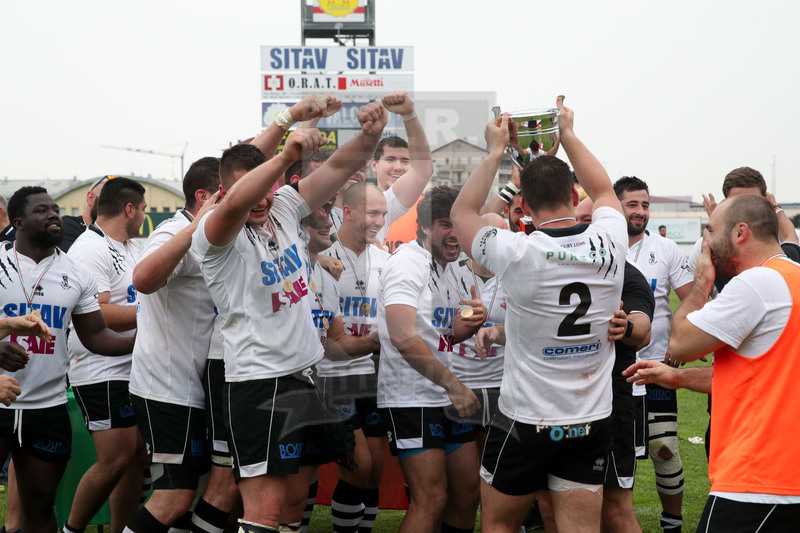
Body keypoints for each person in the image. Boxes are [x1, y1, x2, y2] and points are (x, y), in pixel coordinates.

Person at [191, 98, 387, 532]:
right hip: (259, 382)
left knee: (290, 505)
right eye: (253, 188)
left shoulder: (281, 207)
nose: (262, 197)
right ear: (226, 191)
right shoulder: (215, 233)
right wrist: (283, 155)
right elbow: (237, 201)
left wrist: (369, 138)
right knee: (261, 513)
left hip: (302, 376)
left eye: (269, 186)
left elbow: (335, 170)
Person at [450, 97, 626, 533]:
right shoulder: (611, 240)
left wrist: (494, 152)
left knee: (499, 527)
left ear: (524, 207)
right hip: (588, 418)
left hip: (526, 419)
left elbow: (461, 214)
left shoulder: (516, 250)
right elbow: (604, 191)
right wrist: (566, 133)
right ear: (573, 195)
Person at [638, 194, 800, 531]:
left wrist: (701, 282)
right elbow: (760, 373)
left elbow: (681, 344)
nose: (705, 242)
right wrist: (677, 379)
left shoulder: (757, 283)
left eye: (710, 230)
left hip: (756, 481)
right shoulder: (792, 276)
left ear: (740, 233)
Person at [0, 186, 134, 533]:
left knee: (41, 507)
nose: (53, 214)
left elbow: (97, 337)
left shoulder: (76, 272)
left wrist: (148, 338)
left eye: (55, 208)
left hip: (48, 407)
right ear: (19, 222)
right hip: (0, 401)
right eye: (41, 210)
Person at [377, 184, 487, 533]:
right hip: (411, 397)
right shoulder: (408, 263)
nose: (453, 234)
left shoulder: (452, 267)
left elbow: (444, 335)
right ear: (425, 227)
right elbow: (402, 335)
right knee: (431, 497)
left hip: (445, 392)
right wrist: (454, 386)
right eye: (444, 224)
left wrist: (469, 324)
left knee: (468, 493)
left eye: (457, 224)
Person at [123, 158, 224, 533]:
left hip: (196, 386)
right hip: (166, 388)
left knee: (196, 492)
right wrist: (197, 226)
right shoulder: (174, 230)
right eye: (227, 194)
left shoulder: (217, 232)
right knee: (174, 496)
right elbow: (143, 278)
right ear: (203, 197)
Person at [64, 177, 148, 533]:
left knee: (135, 459)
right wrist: (151, 316)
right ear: (129, 209)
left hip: (130, 367)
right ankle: (72, 529)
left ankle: (121, 530)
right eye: (143, 209)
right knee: (115, 458)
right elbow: (97, 314)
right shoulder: (88, 248)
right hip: (100, 367)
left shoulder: (130, 246)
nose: (144, 216)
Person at [613, 175, 693, 533]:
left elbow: (690, 298)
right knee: (615, 452)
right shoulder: (601, 246)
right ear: (616, 206)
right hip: (615, 371)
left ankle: (672, 523)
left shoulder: (666, 248)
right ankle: (614, 516)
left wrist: (679, 345)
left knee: (664, 448)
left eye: (645, 205)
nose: (640, 211)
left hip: (657, 365)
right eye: (632, 204)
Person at [319, 182, 389, 533]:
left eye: (383, 214)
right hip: (333, 375)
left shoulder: (386, 260)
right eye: (372, 213)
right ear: (347, 212)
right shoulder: (325, 255)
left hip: (374, 373)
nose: (379, 221)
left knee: (375, 470)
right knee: (358, 466)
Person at [60, 174, 112, 252]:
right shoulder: (68, 226)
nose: (116, 206)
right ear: (91, 198)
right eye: (110, 199)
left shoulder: (118, 237)